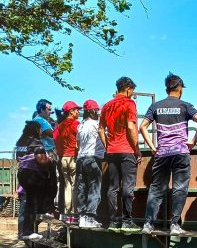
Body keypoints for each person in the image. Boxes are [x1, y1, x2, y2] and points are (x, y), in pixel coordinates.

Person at [140, 73, 197, 235]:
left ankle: (148, 224)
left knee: (156, 188)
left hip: (162, 152)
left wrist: (152, 147)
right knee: (179, 189)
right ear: (180, 88)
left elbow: (142, 127)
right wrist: (192, 141)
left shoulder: (156, 106)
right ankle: (174, 225)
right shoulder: (185, 106)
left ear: (166, 89)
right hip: (180, 152)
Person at [99, 76, 142, 231]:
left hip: (112, 151)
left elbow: (100, 129)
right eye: (132, 90)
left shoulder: (107, 105)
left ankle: (112, 221)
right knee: (128, 187)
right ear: (128, 88)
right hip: (127, 150)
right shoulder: (129, 103)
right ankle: (127, 221)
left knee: (112, 188)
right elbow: (131, 127)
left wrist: (107, 146)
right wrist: (136, 148)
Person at [16, 122, 56, 240]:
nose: (40, 132)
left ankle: (26, 231)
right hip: (32, 174)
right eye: (39, 129)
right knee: (33, 202)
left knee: (29, 201)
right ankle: (29, 230)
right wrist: (51, 161)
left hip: (22, 173)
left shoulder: (20, 142)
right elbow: (41, 158)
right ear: (35, 129)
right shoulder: (35, 142)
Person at [75, 99, 105, 229]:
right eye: (96, 110)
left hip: (80, 158)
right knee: (94, 187)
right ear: (92, 111)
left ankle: (82, 217)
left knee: (81, 188)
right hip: (92, 158)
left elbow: (77, 144)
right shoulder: (97, 125)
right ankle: (90, 217)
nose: (98, 112)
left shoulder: (80, 125)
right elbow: (106, 137)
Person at [54, 101, 81, 224]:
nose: (78, 112)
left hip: (63, 158)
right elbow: (79, 142)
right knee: (75, 186)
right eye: (76, 110)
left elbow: (55, 140)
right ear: (71, 111)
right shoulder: (76, 124)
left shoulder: (59, 126)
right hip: (74, 158)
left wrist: (61, 153)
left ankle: (67, 214)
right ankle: (74, 215)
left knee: (67, 186)